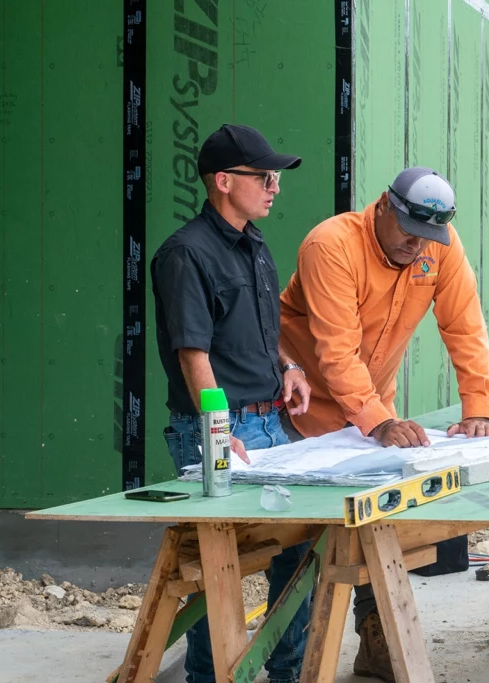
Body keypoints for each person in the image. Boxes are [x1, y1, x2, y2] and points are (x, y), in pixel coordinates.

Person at [279, 166, 489, 682]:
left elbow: (465, 324)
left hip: (371, 410)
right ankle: (290, 656)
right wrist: (378, 422)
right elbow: (336, 352)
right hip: (300, 406)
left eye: (427, 237)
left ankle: (374, 638)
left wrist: (478, 407)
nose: (415, 245)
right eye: (407, 231)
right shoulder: (330, 245)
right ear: (383, 206)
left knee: (377, 522)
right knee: (299, 540)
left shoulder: (438, 244)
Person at [150, 123, 313, 683]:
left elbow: (261, 334)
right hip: (224, 431)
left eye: (275, 178)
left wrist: (288, 368)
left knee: (299, 554)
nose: (275, 187)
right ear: (223, 181)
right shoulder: (186, 255)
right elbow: (194, 354)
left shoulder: (256, 245)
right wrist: (219, 431)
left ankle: (285, 674)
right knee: (214, 568)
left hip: (272, 423)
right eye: (264, 176)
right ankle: (209, 676)